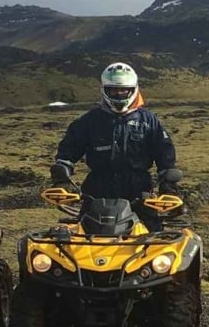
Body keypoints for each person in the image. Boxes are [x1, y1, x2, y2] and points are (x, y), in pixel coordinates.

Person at [51, 62, 179, 231]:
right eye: (113, 90)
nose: (119, 94)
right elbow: (69, 149)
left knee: (152, 238)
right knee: (84, 235)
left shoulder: (148, 121)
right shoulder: (89, 121)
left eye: (123, 90)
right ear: (104, 89)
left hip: (138, 191)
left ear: (133, 89)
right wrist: (62, 177)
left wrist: (168, 183)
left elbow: (164, 151)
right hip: (97, 190)